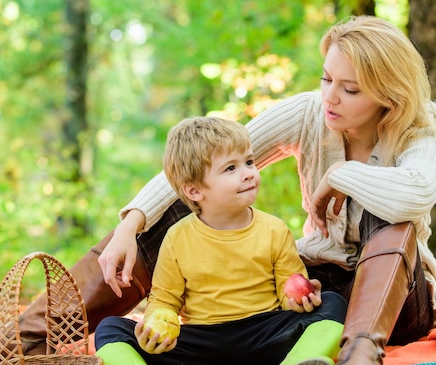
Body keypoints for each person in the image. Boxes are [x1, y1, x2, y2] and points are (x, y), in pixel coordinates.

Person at [0, 15, 436, 365]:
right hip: (313, 285)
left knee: (392, 214)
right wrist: (132, 224)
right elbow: (204, 165)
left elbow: (416, 195)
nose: (330, 96)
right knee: (192, 202)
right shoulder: (310, 112)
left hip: (396, 301)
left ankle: (361, 357)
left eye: (350, 89)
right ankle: (16, 342)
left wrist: (339, 177)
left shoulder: (422, 131)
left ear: (388, 93)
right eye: (326, 79)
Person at [93, 116, 347, 365]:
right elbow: (164, 300)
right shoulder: (177, 237)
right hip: (201, 342)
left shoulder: (274, 230)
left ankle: (300, 362)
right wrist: (156, 327)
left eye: (249, 162)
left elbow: (287, 287)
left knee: (333, 303)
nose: (248, 173)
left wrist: (298, 300)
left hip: (262, 334)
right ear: (194, 190)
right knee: (110, 328)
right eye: (231, 168)